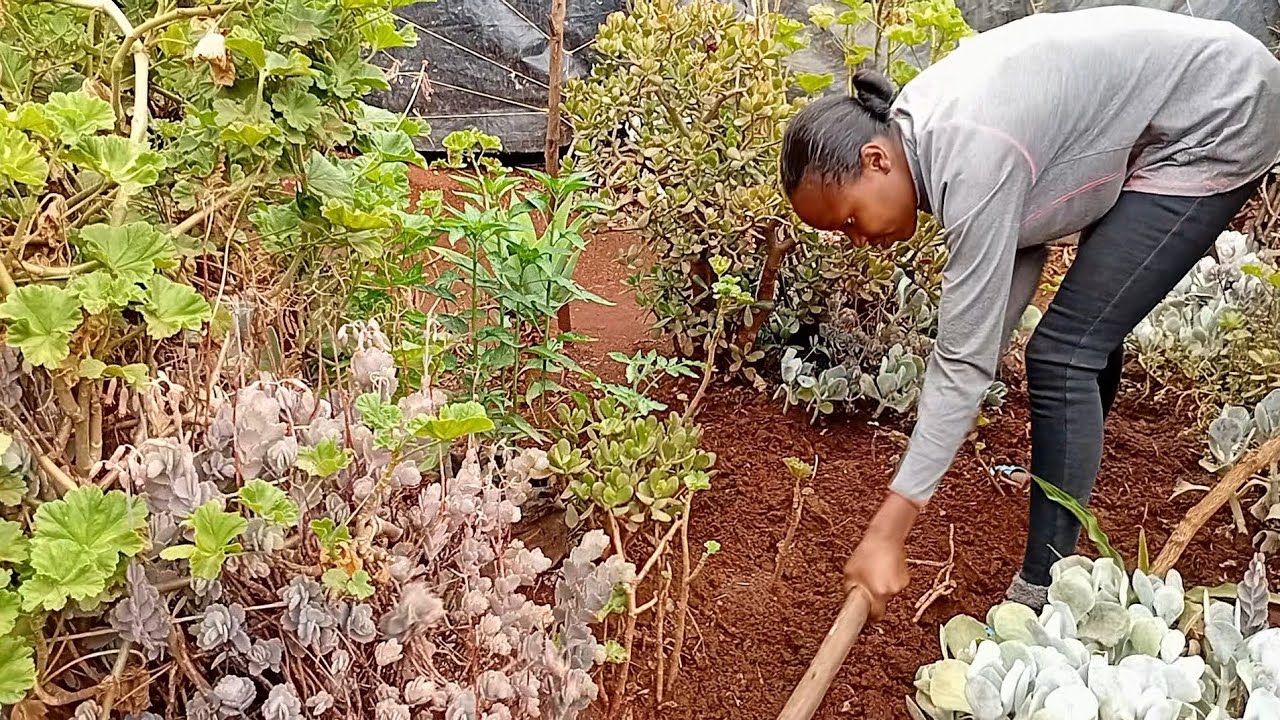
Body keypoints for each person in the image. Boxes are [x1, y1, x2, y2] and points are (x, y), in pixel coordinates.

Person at [778, 5, 1280, 619]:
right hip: (1173, 112)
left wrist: (889, 530)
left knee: (1064, 351)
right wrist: (966, 377)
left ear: (875, 161)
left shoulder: (970, 152)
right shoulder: (921, 136)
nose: (857, 238)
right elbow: (1016, 258)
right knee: (1084, 330)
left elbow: (961, 361)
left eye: (851, 218)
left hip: (1219, 114)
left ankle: (1046, 584)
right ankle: (1067, 487)